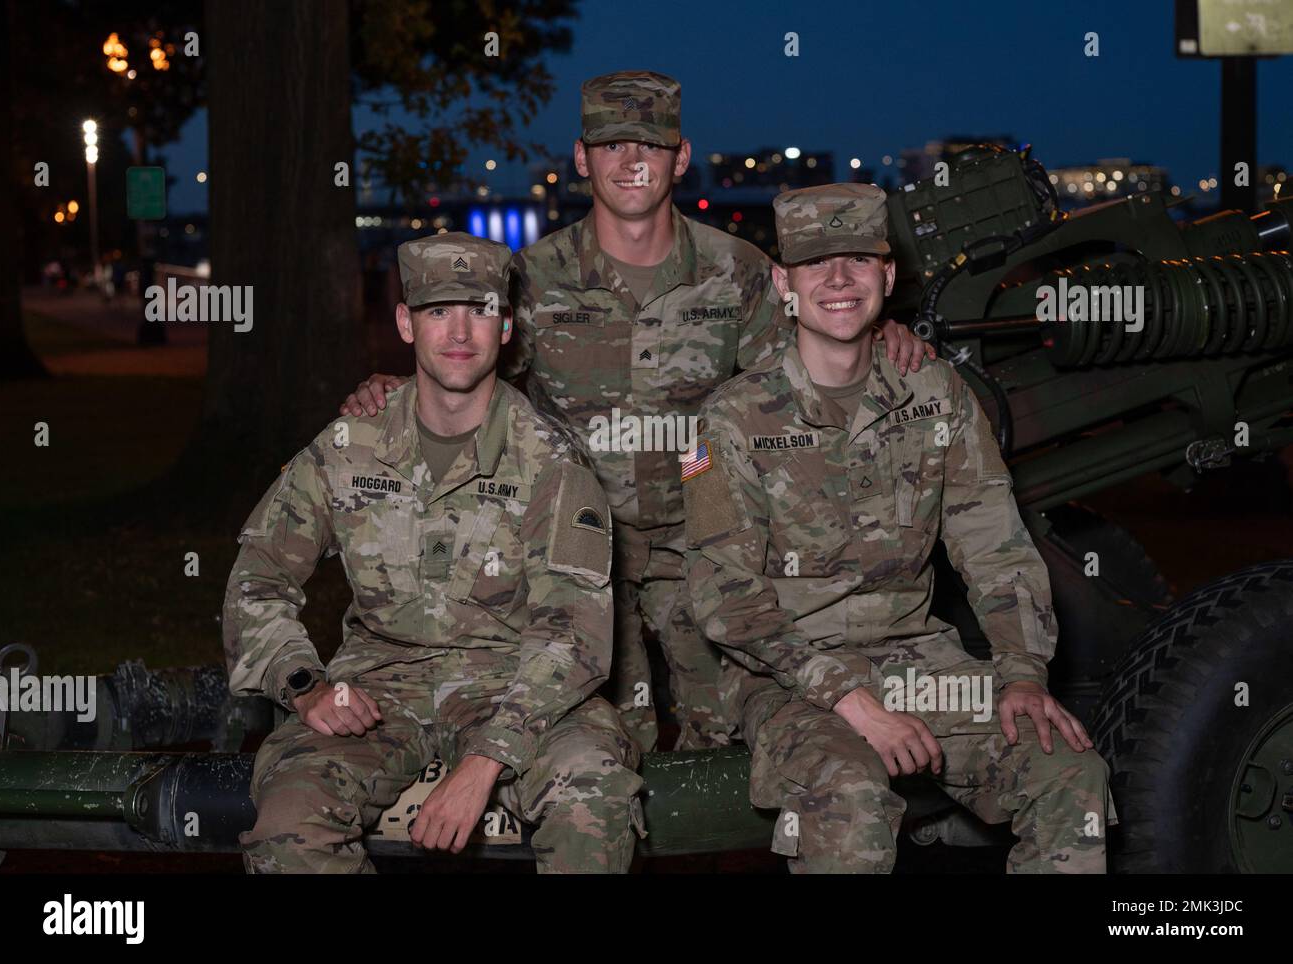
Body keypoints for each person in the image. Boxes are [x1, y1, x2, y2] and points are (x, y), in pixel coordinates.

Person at [338, 71, 933, 753]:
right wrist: (397, 387)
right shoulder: (533, 277)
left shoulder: (734, 270)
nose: (630, 162)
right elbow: (465, 370)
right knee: (605, 737)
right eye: (611, 145)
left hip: (703, 532)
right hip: (580, 543)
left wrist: (881, 333)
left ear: (679, 158)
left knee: (733, 730)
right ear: (582, 157)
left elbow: (804, 367)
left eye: (648, 145)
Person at [682, 183, 1115, 873]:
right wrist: (851, 701)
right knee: (849, 794)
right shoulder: (729, 421)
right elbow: (725, 599)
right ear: (782, 283)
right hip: (789, 679)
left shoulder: (936, 395)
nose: (839, 279)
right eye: (816, 263)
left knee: (1067, 771)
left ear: (887, 275)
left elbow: (996, 547)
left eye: (858, 258)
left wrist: (1023, 673)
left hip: (921, 663)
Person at [225, 233, 643, 873]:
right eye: (437, 310)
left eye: (478, 310)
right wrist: (304, 685)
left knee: (593, 794)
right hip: (375, 685)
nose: (459, 332)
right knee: (288, 824)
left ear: (505, 327)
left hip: (518, 686)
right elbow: (258, 577)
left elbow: (575, 636)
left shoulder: (551, 461)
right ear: (404, 322)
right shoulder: (348, 446)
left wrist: (485, 761)